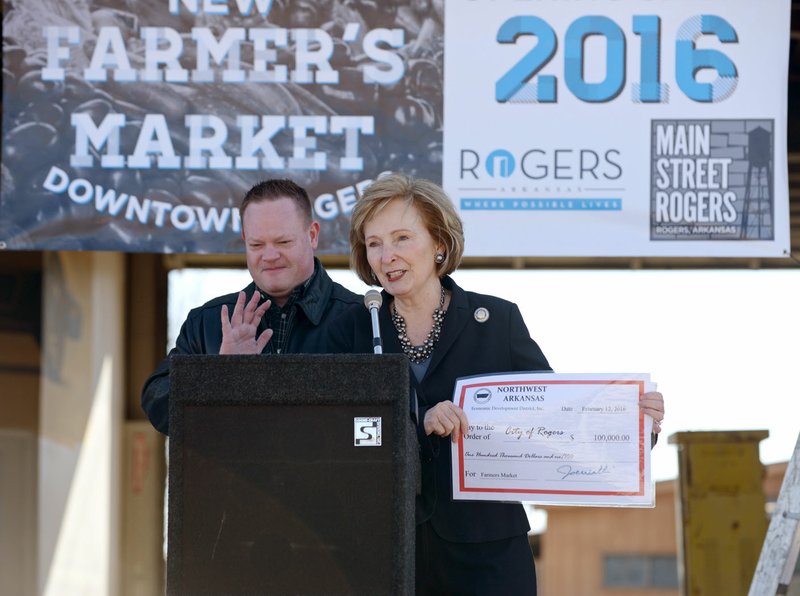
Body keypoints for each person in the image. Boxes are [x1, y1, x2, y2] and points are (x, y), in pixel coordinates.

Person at [328, 173, 665, 594]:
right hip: (387, 551)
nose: (386, 256)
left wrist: (629, 428)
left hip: (487, 558)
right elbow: (335, 438)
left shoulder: (497, 322)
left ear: (440, 244)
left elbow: (555, 421)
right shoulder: (353, 328)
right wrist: (417, 424)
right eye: (374, 243)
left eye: (401, 238)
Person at [141, 179, 361, 435]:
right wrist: (222, 375)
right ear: (244, 239)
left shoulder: (361, 318)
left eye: (283, 242)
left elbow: (382, 424)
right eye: (257, 245)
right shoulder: (207, 322)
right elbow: (157, 403)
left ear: (312, 235)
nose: (269, 256)